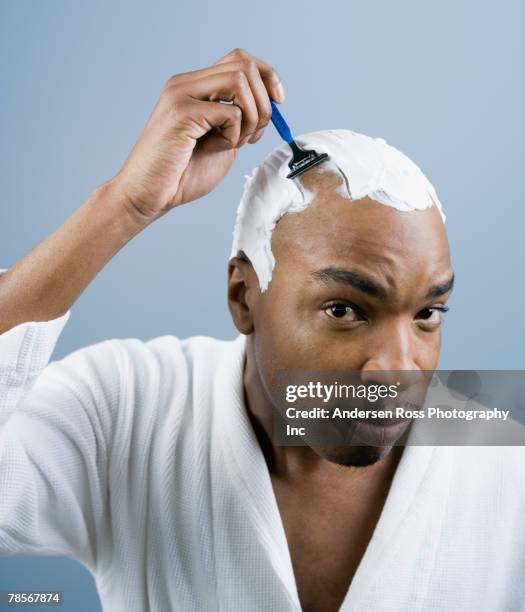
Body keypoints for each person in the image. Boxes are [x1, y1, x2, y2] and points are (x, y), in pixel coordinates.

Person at [0, 48, 523, 612]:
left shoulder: (504, 462)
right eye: (344, 310)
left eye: (427, 314)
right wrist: (123, 204)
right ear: (242, 297)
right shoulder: (126, 406)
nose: (395, 369)